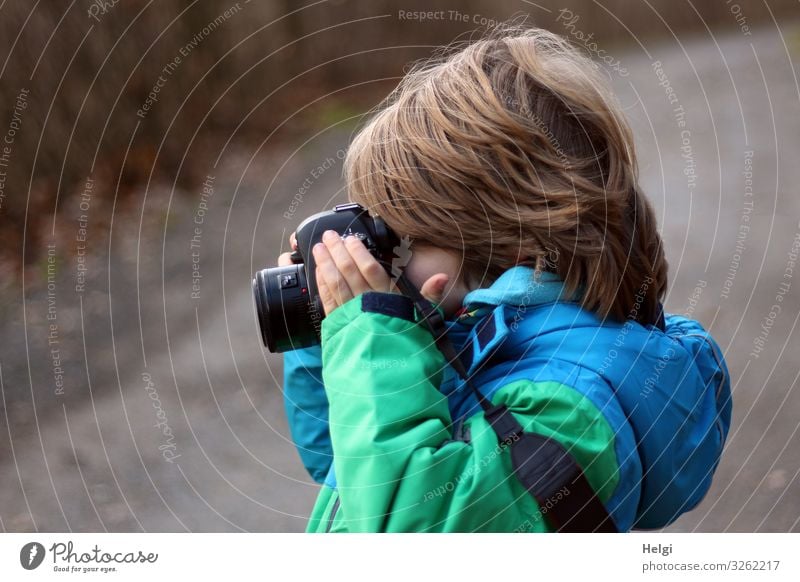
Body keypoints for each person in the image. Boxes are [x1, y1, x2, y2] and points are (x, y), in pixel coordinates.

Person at [278, 24, 732, 533]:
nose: (392, 266)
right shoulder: (486, 342)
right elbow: (347, 468)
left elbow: (405, 527)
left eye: (407, 243)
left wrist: (372, 340)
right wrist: (327, 331)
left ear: (506, 239)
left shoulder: (573, 404)